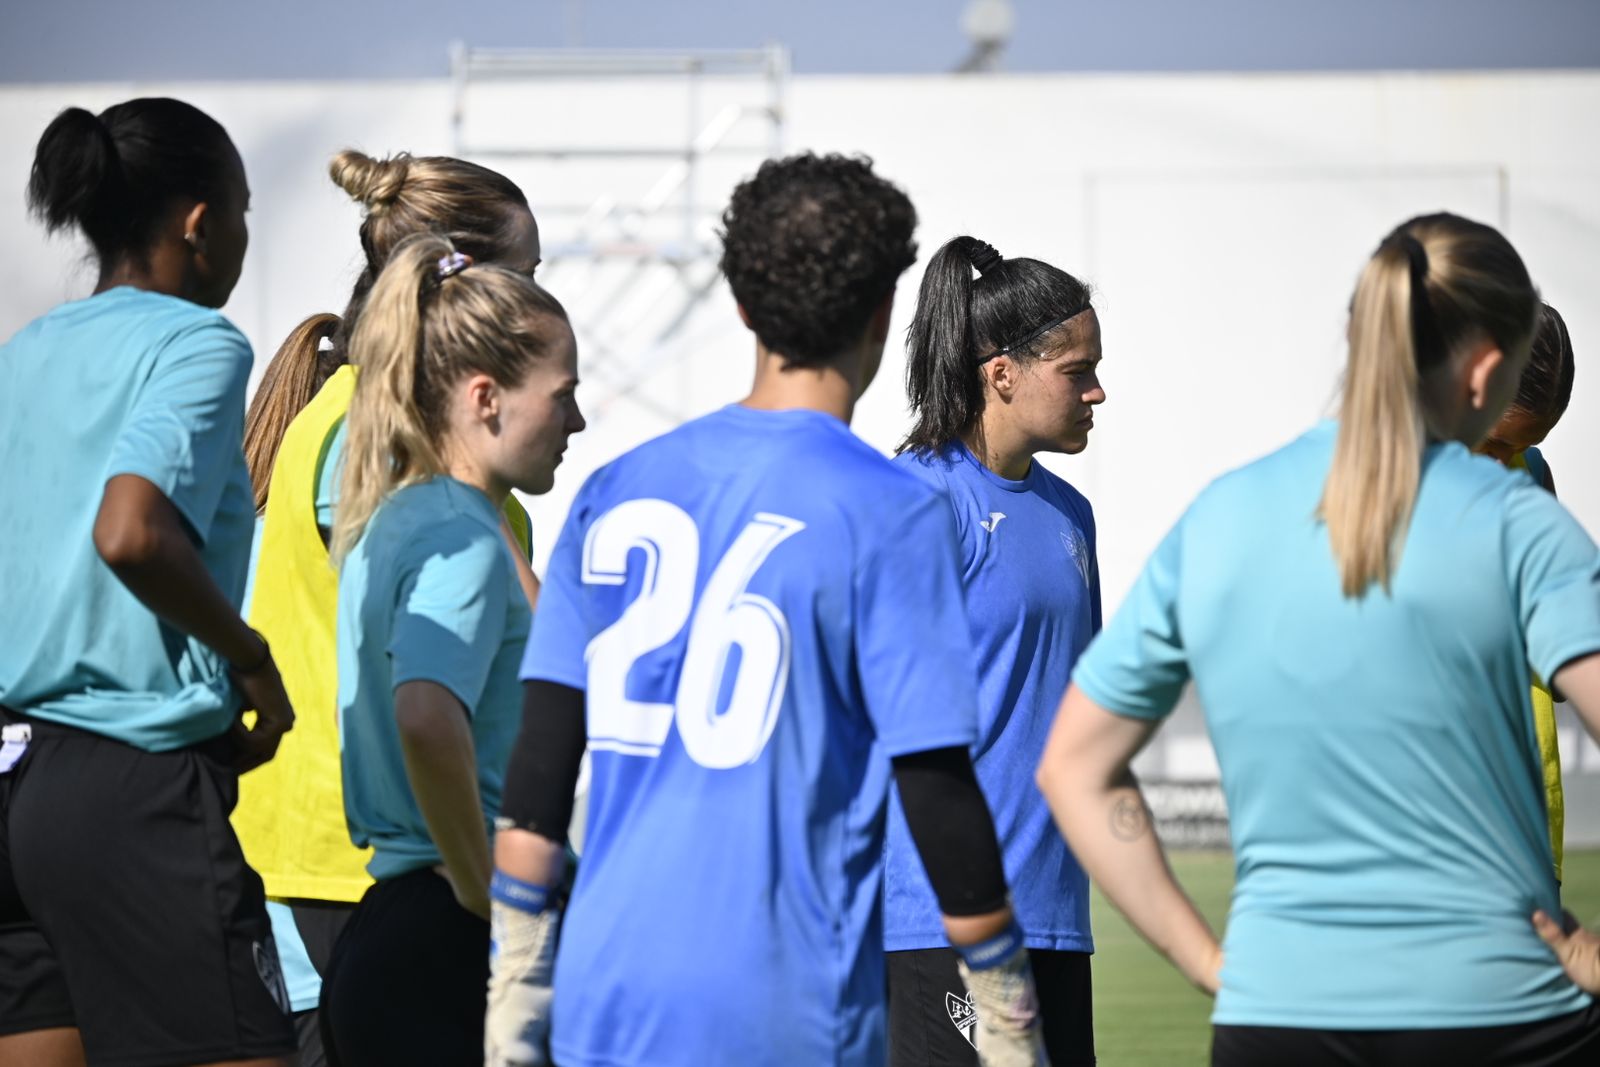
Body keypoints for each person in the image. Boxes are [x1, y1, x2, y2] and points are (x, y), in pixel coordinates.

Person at [486, 153, 1047, 1067]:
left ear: (742, 308)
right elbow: (937, 785)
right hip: (786, 1009)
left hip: (603, 995)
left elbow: (540, 772)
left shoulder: (613, 490)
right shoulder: (893, 509)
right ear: (880, 313)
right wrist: (1008, 1015)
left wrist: (512, 1004)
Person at [1037, 212, 1600, 1065]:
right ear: (1488, 369)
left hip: (1278, 1014)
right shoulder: (1518, 520)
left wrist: (1213, 964)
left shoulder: (1222, 516)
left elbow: (1073, 767)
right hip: (1499, 1008)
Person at [0, 98, 296, 1067]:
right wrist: (248, 660)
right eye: (244, 210)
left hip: (21, 786)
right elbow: (132, 533)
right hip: (136, 783)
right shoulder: (196, 342)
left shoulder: (28, 350)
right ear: (200, 221)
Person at [231, 150, 545, 1062]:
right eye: (525, 278)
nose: (534, 307)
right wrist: (489, 886)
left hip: (396, 851)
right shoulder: (377, 434)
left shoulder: (401, 434)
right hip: (368, 853)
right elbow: (427, 687)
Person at [317, 232, 584, 1066]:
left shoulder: (400, 513)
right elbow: (427, 715)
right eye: (564, 394)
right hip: (444, 935)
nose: (578, 419)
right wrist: (486, 889)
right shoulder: (459, 538)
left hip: (395, 930)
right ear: (486, 397)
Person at [887, 235, 1104, 1065]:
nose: (1097, 389)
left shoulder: (1071, 515)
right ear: (1001, 373)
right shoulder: (916, 499)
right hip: (937, 917)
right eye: (1076, 370)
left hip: (1055, 913)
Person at [1475, 302, 1576, 883]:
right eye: (1492, 443)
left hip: (1527, 823)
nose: (1504, 461)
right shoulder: (1391, 481)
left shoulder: (1532, 477)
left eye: (1521, 447)